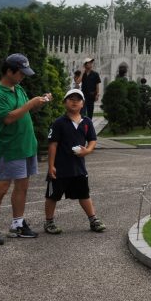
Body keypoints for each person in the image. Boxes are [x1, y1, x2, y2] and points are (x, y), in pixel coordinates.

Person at [0, 53, 52, 246]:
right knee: (1, 188)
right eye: (20, 73)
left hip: (26, 146)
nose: (23, 76)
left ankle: (17, 224)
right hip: (9, 148)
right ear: (9, 71)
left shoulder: (18, 89)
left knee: (23, 186)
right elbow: (8, 118)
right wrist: (30, 104)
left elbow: (25, 110)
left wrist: (40, 102)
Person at [43, 89, 106, 234]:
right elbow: (52, 145)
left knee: (84, 194)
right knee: (53, 196)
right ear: (64, 102)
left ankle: (93, 220)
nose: (74, 101)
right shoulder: (58, 123)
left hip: (78, 168)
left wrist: (88, 150)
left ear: (83, 103)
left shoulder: (87, 122)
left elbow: (92, 140)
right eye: (70, 98)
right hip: (60, 168)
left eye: (78, 99)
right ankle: (49, 222)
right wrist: (51, 166)